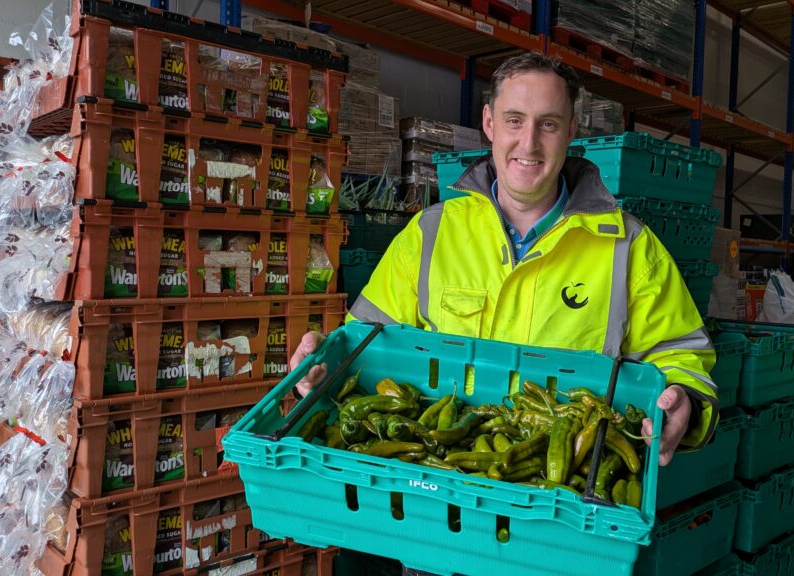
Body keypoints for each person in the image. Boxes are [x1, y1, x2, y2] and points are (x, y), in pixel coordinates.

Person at [290, 52, 717, 467]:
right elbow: (363, 345)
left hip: (559, 493)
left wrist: (687, 406)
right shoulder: (430, 233)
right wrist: (319, 372)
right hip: (441, 480)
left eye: (548, 125)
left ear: (571, 131)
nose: (528, 143)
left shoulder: (630, 247)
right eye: (514, 120)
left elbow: (683, 358)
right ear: (489, 123)